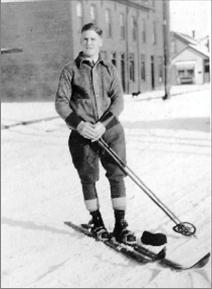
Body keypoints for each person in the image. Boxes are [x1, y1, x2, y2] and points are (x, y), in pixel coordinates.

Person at [55, 23, 136, 244]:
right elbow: (61, 103)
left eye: (93, 39)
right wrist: (80, 125)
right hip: (82, 134)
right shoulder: (70, 70)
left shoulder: (109, 68)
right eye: (85, 39)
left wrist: (103, 124)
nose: (89, 43)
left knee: (117, 175)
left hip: (110, 131)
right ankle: (97, 222)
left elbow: (118, 101)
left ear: (100, 42)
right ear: (81, 41)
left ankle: (120, 225)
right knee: (88, 178)